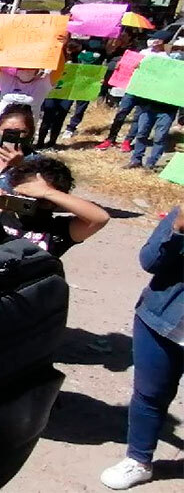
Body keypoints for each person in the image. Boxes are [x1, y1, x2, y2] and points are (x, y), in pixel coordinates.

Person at [100, 206, 182, 490]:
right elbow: (150, 261)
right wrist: (179, 230)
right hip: (162, 320)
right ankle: (138, 460)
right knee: (150, 394)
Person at [0, 157, 109, 258]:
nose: (33, 201)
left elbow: (100, 218)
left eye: (41, 199)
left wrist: (47, 192)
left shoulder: (58, 231)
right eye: (27, 195)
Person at [124, 99, 179, 171]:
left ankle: (150, 164)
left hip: (168, 111)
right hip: (148, 107)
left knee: (160, 137)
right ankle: (136, 160)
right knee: (141, 134)